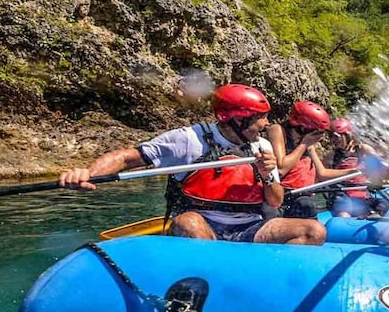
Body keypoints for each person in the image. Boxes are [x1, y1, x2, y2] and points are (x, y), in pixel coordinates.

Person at [59, 83, 326, 244]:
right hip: (203, 222)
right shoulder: (188, 139)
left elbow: (276, 202)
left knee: (314, 231)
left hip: (250, 227)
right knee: (188, 224)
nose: (266, 124)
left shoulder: (261, 146)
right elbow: (125, 157)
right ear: (237, 119)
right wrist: (89, 173)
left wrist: (268, 175)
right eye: (260, 118)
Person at [311, 118, 388, 218]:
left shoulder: (362, 149)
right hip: (342, 193)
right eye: (331, 136)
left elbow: (380, 163)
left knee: (383, 204)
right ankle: (345, 222)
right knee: (344, 208)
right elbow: (321, 175)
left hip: (361, 193)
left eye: (336, 136)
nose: (333, 140)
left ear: (347, 135)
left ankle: (375, 216)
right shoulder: (331, 155)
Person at [266, 100, 331, 219]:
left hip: (304, 195)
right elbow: (281, 169)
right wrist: (304, 144)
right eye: (318, 133)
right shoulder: (278, 130)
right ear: (303, 129)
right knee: (305, 204)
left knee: (307, 204)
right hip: (286, 197)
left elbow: (322, 173)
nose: (320, 137)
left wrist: (354, 171)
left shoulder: (307, 143)